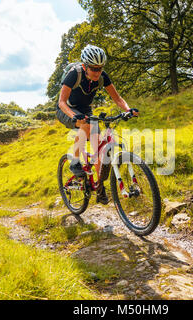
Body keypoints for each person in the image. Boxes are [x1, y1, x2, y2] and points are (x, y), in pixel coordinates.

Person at [56, 44, 139, 204]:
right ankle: (74, 162)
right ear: (85, 66)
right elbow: (61, 102)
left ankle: (100, 189)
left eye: (100, 68)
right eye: (93, 68)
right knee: (85, 125)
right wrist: (74, 116)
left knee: (101, 149)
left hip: (85, 110)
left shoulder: (102, 76)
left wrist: (128, 109)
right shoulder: (74, 74)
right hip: (66, 109)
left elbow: (117, 98)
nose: (97, 72)